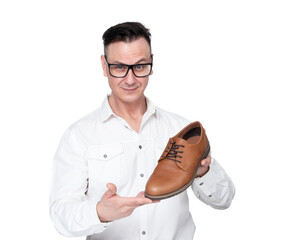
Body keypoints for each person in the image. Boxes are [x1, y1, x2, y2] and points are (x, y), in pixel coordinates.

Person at [50, 22, 235, 240]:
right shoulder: (78, 135)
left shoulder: (182, 130)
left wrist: (204, 172)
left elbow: (225, 199)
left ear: (151, 64)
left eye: (139, 67)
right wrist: (99, 213)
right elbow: (61, 214)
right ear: (104, 65)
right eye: (119, 67)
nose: (130, 79)